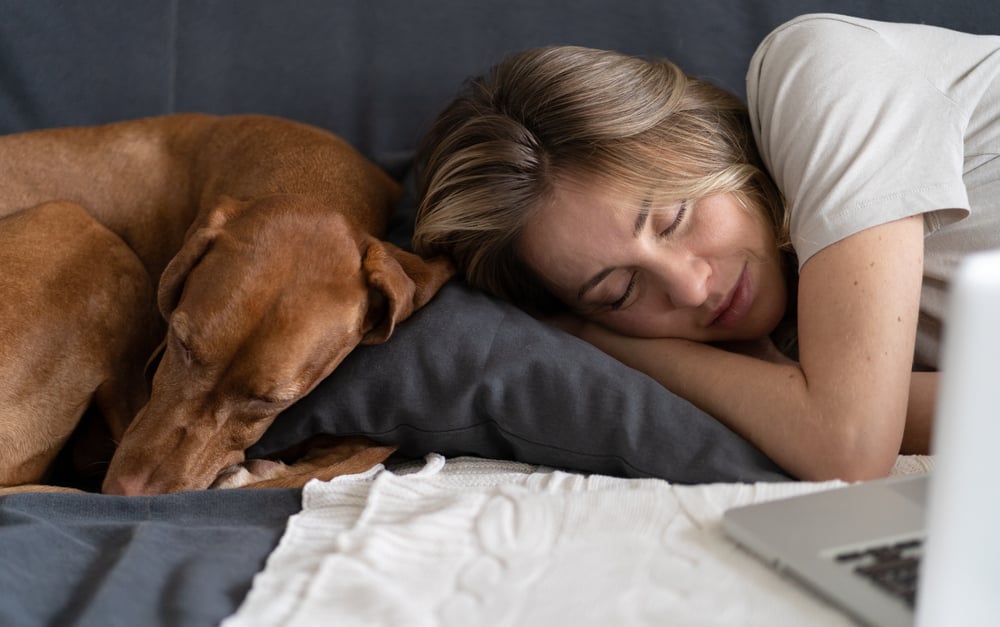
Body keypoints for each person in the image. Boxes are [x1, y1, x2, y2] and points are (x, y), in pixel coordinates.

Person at [412, 14, 1000, 481]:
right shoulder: (795, 347)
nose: (691, 287)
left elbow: (846, 446)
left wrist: (604, 339)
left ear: (704, 136)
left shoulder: (820, 70)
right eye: (619, 292)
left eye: (672, 220)